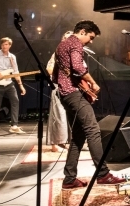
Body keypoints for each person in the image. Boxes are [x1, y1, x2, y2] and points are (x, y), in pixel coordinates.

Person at [52, 20, 124, 189]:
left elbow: (57, 74)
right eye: (91, 37)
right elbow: (77, 67)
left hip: (64, 94)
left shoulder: (62, 44)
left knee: (78, 136)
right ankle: (103, 174)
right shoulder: (75, 43)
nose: (91, 41)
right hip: (73, 94)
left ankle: (69, 179)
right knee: (93, 130)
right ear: (83, 32)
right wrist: (93, 83)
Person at [45, 31, 73, 152]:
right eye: (65, 38)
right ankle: (55, 143)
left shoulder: (75, 54)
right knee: (58, 115)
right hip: (58, 86)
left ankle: (67, 141)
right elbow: (49, 69)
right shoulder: (57, 53)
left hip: (72, 87)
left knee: (70, 115)